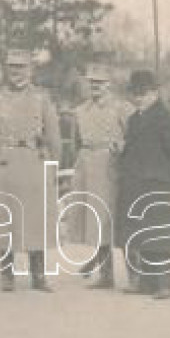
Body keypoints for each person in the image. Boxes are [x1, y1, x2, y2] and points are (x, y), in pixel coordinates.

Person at [0, 48, 62, 292]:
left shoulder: (42, 97)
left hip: (34, 162)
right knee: (5, 219)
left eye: (21, 66)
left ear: (30, 69)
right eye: (12, 66)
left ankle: (39, 275)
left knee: (36, 220)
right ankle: (7, 274)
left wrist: (54, 167)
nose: (16, 71)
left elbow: (54, 135)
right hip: (5, 163)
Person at [115, 70, 170, 300]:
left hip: (159, 185)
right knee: (140, 235)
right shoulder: (134, 119)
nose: (138, 98)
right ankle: (145, 284)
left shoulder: (167, 119)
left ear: (155, 93)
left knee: (161, 237)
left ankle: (165, 285)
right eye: (135, 93)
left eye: (143, 93)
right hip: (135, 185)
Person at [68, 64, 129, 289]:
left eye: (100, 83)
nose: (95, 86)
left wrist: (120, 146)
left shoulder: (121, 108)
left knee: (115, 220)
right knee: (95, 221)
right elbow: (75, 142)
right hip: (87, 166)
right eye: (91, 82)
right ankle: (106, 275)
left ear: (108, 85)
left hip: (111, 168)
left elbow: (133, 136)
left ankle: (135, 275)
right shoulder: (80, 111)